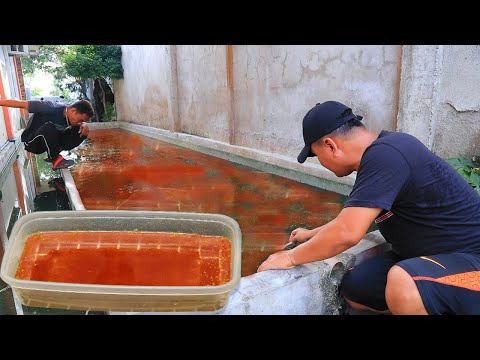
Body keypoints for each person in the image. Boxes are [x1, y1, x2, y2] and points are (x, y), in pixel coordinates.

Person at [257, 100, 480, 315]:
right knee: (356, 288)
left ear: (330, 145)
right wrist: (311, 234)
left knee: (404, 282)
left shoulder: (387, 155)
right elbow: (348, 222)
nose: (321, 163)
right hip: (430, 257)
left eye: (316, 156)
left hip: (471, 260)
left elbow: (347, 234)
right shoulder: (381, 154)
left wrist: (290, 258)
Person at [0, 98, 94, 170]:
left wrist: (84, 124)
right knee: (49, 127)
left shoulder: (71, 117)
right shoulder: (50, 107)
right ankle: (55, 158)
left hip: (48, 141)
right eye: (80, 120)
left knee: (82, 131)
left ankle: (55, 153)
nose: (80, 123)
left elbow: (79, 127)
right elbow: (20, 104)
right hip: (32, 142)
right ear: (73, 111)